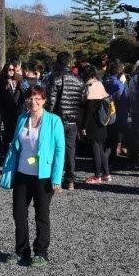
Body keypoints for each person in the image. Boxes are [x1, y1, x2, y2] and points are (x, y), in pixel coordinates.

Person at [0, 86, 64, 268]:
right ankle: (22, 250)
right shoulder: (22, 119)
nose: (33, 102)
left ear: (44, 100)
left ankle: (41, 252)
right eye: (30, 98)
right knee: (19, 214)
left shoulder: (53, 121)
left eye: (37, 99)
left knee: (41, 214)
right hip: (22, 173)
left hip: (43, 175)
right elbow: (15, 146)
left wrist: (56, 178)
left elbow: (60, 151)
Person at [44, 52, 86, 189]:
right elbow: (82, 101)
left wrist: (47, 117)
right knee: (70, 150)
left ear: (57, 62)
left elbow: (51, 101)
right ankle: (70, 180)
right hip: (73, 120)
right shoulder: (78, 79)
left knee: (54, 148)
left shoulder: (55, 77)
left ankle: (54, 178)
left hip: (57, 119)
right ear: (69, 62)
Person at [81, 66, 111, 183]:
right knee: (100, 148)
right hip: (102, 120)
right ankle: (106, 174)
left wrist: (84, 126)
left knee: (95, 149)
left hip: (93, 122)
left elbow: (89, 109)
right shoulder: (100, 83)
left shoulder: (90, 86)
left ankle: (97, 176)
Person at [102, 61, 129, 159]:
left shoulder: (105, 80)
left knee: (109, 134)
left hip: (106, 110)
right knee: (115, 133)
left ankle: (108, 156)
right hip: (118, 110)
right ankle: (111, 156)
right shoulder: (119, 84)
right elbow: (123, 97)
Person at [0, 60, 25, 150]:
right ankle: (6, 150)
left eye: (13, 70)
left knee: (16, 129)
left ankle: (15, 148)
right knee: (8, 130)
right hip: (6, 109)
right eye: (10, 69)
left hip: (17, 109)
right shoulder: (1, 81)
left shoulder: (18, 80)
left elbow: (23, 94)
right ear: (6, 70)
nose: (12, 71)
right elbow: (0, 96)